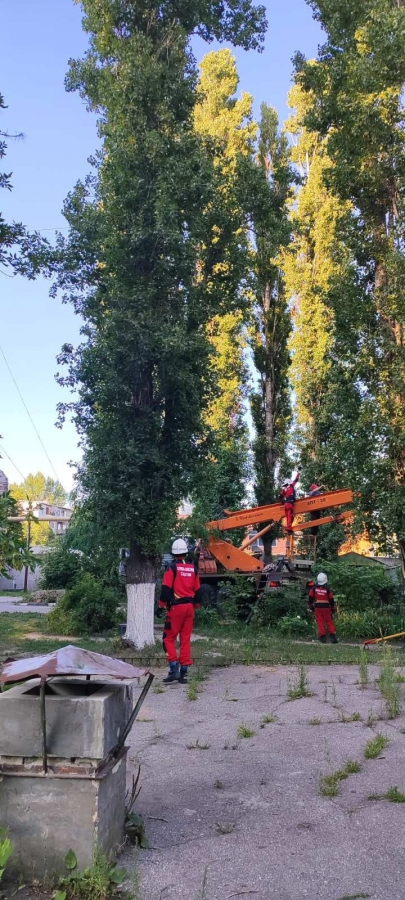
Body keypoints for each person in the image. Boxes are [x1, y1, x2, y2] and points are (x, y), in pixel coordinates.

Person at [158, 538, 202, 684]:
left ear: (173, 553)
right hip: (189, 608)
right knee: (185, 640)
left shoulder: (172, 568)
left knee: (168, 638)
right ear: (186, 552)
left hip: (176, 608)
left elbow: (166, 589)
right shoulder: (193, 568)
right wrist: (196, 605)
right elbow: (198, 590)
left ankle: (173, 668)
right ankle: (183, 672)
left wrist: (161, 605)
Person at [308, 572, 338, 644]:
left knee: (320, 622)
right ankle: (333, 637)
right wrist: (333, 608)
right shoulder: (327, 589)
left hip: (317, 607)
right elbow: (331, 600)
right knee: (329, 621)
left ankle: (323, 638)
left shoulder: (314, 589)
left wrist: (311, 607)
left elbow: (310, 598)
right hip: (326, 607)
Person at [280, 468, 301, 533]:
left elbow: (280, 496)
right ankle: (289, 528)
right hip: (290, 504)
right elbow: (296, 479)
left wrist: (282, 502)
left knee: (288, 517)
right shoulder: (291, 486)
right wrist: (299, 472)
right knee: (290, 516)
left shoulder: (284, 489)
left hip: (285, 504)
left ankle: (289, 528)